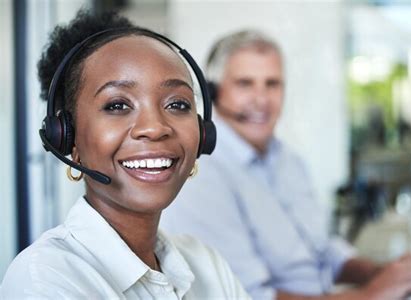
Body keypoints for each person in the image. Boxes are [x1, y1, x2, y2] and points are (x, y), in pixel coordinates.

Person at [160, 30, 411, 300]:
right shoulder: (200, 175)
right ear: (214, 93)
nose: (261, 100)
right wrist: (372, 295)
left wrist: (385, 274)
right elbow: (249, 296)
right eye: (245, 84)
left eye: (272, 84)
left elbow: (323, 251)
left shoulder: (288, 161)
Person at [0, 10, 249, 299]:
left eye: (177, 104)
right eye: (117, 105)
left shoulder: (207, 264)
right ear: (68, 138)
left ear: (203, 133)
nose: (155, 128)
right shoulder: (45, 279)